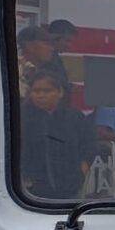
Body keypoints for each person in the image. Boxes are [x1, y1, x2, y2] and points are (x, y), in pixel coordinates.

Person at [18, 69, 94, 199]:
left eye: (47, 91)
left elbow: (89, 143)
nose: (41, 95)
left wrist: (83, 166)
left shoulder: (74, 117)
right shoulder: (22, 118)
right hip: (31, 190)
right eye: (36, 91)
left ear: (60, 92)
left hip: (69, 186)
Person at [16, 24, 64, 95]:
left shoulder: (49, 70)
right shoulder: (17, 72)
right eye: (46, 44)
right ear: (30, 46)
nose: (52, 49)